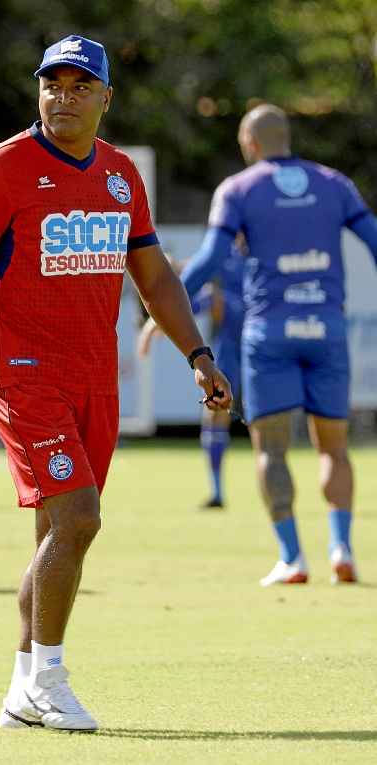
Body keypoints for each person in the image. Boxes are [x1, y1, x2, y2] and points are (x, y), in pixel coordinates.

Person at [0, 34, 232, 732]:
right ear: (39, 91)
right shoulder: (0, 168)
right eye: (51, 84)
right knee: (80, 519)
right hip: (22, 375)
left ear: (104, 97)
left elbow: (153, 276)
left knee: (54, 533)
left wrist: (198, 352)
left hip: (94, 378)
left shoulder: (121, 174)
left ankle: (19, 686)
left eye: (78, 85)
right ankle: (51, 678)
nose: (62, 96)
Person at [180, 103, 377, 586]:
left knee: (271, 448)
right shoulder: (334, 182)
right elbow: (374, 240)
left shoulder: (239, 189)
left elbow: (210, 259)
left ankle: (293, 558)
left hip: (269, 334)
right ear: (287, 138)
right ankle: (341, 549)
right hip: (325, 329)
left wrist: (169, 300)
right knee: (333, 447)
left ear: (249, 144)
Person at [138, 244, 244, 508]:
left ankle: (159, 322)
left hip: (257, 337)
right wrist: (172, 265)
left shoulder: (258, 248)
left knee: (266, 423)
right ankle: (217, 492)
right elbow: (200, 265)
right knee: (215, 413)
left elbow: (211, 292)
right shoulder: (227, 248)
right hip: (232, 342)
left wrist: (152, 328)